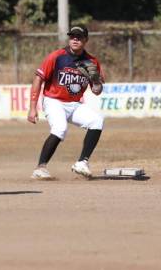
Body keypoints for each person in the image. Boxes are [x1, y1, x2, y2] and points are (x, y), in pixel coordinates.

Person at [27, 25, 105, 180]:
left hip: (74, 104)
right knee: (60, 128)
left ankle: (82, 162)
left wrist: (96, 81)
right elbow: (38, 79)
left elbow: (97, 91)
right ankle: (40, 167)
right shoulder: (57, 56)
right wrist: (32, 108)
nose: (75, 39)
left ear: (86, 40)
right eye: (72, 36)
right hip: (53, 100)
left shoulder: (92, 62)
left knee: (97, 121)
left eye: (79, 37)